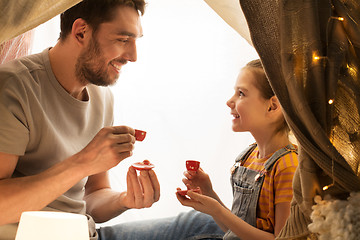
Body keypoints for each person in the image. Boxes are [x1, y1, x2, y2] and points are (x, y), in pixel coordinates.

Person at [0, 1, 160, 240]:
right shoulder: (14, 87)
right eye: (123, 40)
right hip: (33, 235)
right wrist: (83, 162)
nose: (133, 56)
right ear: (81, 32)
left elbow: (93, 196)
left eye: (136, 40)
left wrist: (125, 199)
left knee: (203, 224)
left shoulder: (102, 97)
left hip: (85, 233)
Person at [102, 59, 298, 240]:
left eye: (241, 93)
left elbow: (282, 239)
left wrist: (218, 211)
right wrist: (208, 193)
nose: (229, 101)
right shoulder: (249, 157)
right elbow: (233, 230)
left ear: (272, 106)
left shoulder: (287, 166)